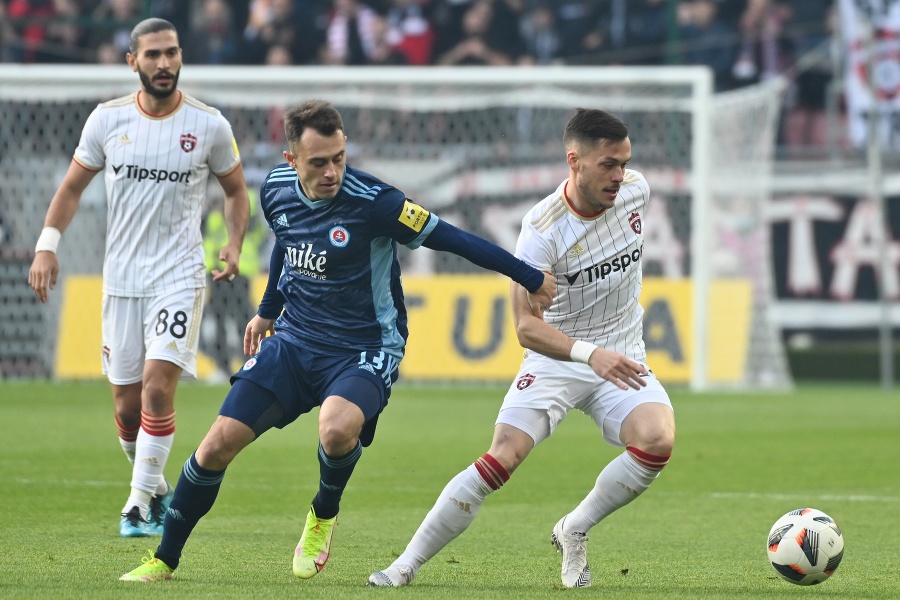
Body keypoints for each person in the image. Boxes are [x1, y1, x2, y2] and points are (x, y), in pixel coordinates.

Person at [118, 99, 556, 582]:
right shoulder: (276, 192)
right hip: (295, 340)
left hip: (364, 346)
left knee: (335, 427)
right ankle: (163, 559)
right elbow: (286, 245)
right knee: (217, 444)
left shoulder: (377, 203)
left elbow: (452, 237)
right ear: (291, 161)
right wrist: (268, 311)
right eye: (319, 162)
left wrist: (529, 276)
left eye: (339, 158)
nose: (332, 172)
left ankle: (323, 514)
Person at [368, 108, 676, 589]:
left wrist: (605, 353)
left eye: (624, 162)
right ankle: (404, 565)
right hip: (558, 358)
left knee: (658, 440)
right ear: (574, 161)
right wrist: (588, 354)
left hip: (622, 351)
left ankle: (574, 528)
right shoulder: (542, 228)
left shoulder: (637, 191)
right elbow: (526, 329)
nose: (619, 175)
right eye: (607, 164)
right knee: (503, 456)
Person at [28, 17, 250, 538]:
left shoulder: (210, 124)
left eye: (172, 53)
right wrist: (46, 247)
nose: (165, 64)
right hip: (122, 278)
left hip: (179, 273)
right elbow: (71, 189)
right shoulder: (107, 121)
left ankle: (134, 504)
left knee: (156, 389)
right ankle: (155, 488)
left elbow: (236, 191)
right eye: (152, 55)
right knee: (128, 409)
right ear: (133, 62)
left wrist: (234, 242)